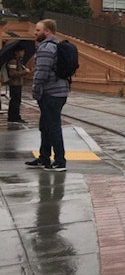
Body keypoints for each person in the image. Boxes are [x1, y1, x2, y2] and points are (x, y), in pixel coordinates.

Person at [25, 19, 70, 172]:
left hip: (51, 93)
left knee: (53, 126)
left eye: (38, 30)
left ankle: (59, 161)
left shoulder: (46, 48)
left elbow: (41, 72)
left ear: (47, 31)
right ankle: (44, 157)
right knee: (45, 126)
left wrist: (36, 91)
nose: (35, 33)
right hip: (58, 91)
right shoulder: (55, 46)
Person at [7, 44, 30, 123]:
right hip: (14, 84)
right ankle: (13, 117)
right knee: (15, 100)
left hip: (18, 83)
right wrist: (24, 72)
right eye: (22, 51)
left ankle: (16, 116)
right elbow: (12, 73)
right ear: (17, 52)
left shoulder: (19, 61)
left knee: (17, 100)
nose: (23, 53)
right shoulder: (13, 61)